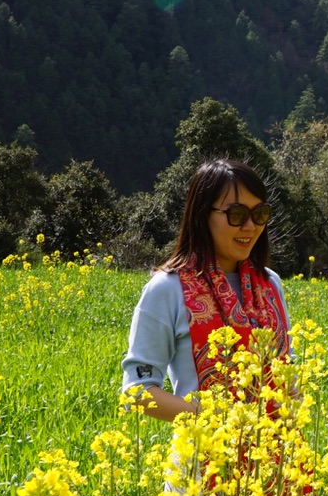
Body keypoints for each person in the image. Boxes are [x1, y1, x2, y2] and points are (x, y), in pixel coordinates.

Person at [122, 157, 290, 421]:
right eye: (236, 214)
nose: (250, 226)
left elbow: (286, 373)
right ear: (202, 215)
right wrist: (215, 418)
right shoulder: (167, 289)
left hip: (280, 459)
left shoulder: (270, 284)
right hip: (204, 456)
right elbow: (137, 391)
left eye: (260, 214)